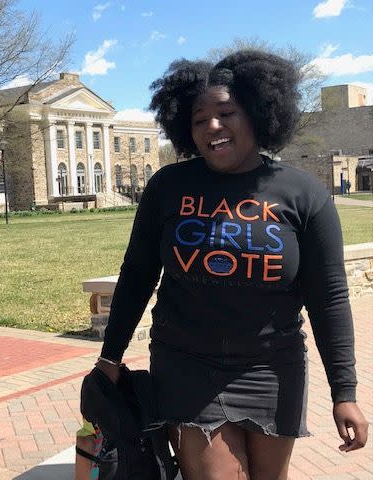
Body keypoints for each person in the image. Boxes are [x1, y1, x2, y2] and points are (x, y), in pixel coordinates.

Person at [95, 50, 368, 480]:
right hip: (185, 364)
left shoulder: (304, 194)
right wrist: (110, 355)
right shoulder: (168, 187)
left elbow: (329, 296)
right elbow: (137, 275)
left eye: (226, 113)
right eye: (199, 119)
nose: (212, 127)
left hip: (272, 369)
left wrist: (344, 391)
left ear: (258, 114)